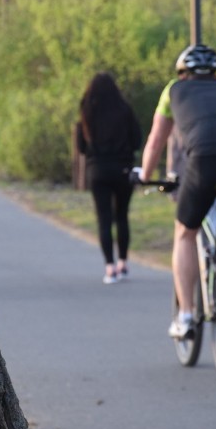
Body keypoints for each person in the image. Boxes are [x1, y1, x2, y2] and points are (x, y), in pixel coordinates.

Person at [137, 45, 216, 338]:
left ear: (183, 72)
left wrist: (144, 174)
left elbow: (156, 140)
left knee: (185, 232)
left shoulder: (174, 90)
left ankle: (187, 316)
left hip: (204, 161)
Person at [77, 72, 143, 284]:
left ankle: (110, 267)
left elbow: (81, 147)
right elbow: (136, 140)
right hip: (123, 169)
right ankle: (123, 262)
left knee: (104, 219)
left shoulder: (87, 112)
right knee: (122, 216)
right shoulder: (125, 110)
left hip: (98, 171)